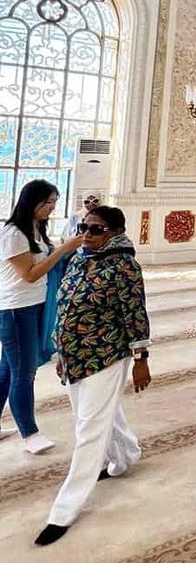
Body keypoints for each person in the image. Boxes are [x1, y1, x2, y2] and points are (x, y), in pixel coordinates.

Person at [35, 206, 151, 546]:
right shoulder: (81, 259)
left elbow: (135, 313)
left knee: (88, 430)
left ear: (114, 232)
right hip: (75, 356)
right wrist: (61, 352)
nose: (87, 233)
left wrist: (141, 358)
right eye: (85, 227)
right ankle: (126, 455)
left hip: (107, 355)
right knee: (102, 415)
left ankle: (64, 510)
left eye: (96, 229)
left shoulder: (124, 266)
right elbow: (66, 306)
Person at [0, 180, 85, 454]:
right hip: (15, 309)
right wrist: (63, 250)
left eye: (54, 203)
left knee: (7, 371)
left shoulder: (36, 230)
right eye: (48, 202)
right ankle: (30, 433)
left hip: (33, 306)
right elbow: (29, 275)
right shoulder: (14, 233)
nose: (51, 208)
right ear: (31, 201)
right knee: (24, 373)